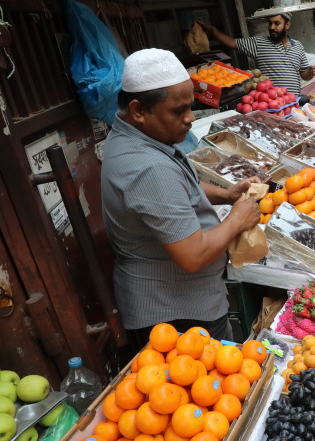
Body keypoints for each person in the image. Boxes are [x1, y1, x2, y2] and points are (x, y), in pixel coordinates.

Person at [101, 49, 261, 348]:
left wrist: (225, 195)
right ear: (138, 110)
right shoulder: (147, 168)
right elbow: (192, 256)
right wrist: (237, 219)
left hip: (184, 300)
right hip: (177, 315)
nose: (189, 119)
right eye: (178, 111)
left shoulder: (139, 135)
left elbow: (179, 186)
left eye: (191, 107)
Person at [201, 13, 315, 95]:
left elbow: (304, 75)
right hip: (270, 103)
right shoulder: (258, 43)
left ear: (287, 25)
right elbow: (232, 43)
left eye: (276, 23)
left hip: (293, 102)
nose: (272, 27)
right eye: (270, 23)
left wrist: (310, 73)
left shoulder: (297, 46)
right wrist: (212, 30)